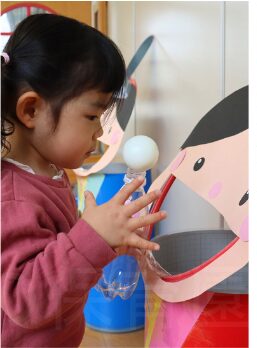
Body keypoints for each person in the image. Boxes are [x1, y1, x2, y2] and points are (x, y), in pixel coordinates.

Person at [1, 14, 166, 347]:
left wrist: (105, 239)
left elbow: (53, 245)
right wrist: (91, 237)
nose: (100, 131)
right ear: (31, 110)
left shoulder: (50, 171)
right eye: (92, 116)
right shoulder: (13, 198)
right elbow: (24, 299)